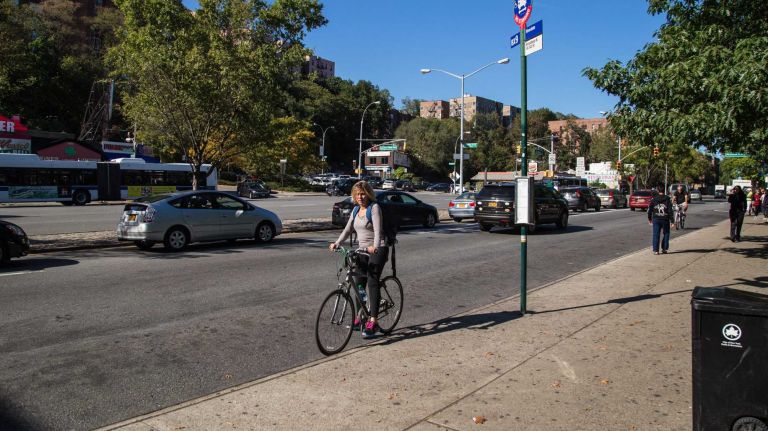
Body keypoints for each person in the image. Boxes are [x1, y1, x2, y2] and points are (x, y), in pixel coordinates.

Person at [329, 181, 389, 339]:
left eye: (363, 194)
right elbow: (348, 229)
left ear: (368, 194)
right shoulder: (356, 210)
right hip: (362, 250)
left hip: (378, 248)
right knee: (359, 283)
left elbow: (378, 231)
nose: (360, 197)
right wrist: (337, 243)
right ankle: (361, 316)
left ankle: (373, 321)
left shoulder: (374, 208)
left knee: (372, 281)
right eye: (357, 194)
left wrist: (375, 246)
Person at [647, 187, 673, 254]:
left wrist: (649, 218)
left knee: (656, 234)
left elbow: (650, 210)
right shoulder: (667, 199)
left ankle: (656, 250)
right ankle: (664, 248)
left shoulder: (654, 199)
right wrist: (672, 221)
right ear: (664, 191)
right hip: (665, 218)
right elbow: (670, 210)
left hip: (656, 219)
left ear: (658, 191)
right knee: (666, 233)